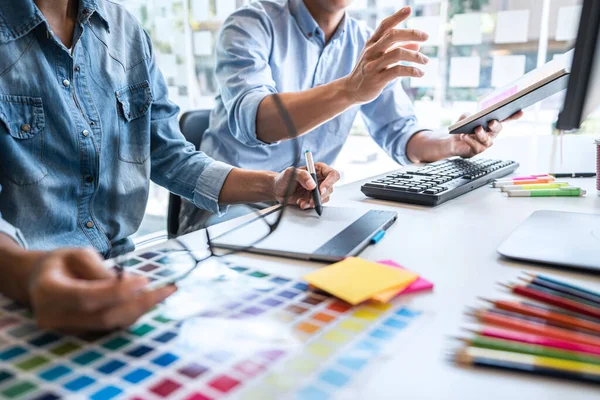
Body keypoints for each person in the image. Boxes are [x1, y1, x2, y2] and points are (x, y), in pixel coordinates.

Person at [0, 0, 340, 332]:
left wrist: (273, 185)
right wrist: (25, 274)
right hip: (17, 294)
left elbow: (169, 155)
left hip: (122, 272)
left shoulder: (125, 31)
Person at [178, 0, 523, 234]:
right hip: (229, 205)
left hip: (305, 205)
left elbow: (401, 132)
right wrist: (350, 89)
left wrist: (454, 142)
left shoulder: (362, 41)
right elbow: (257, 121)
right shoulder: (251, 23)